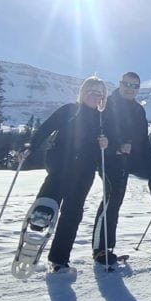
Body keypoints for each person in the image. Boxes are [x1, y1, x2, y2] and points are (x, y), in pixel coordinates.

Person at [20, 76, 113, 273]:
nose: (93, 95)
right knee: (58, 178)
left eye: (99, 93)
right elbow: (47, 127)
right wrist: (30, 146)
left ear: (102, 98)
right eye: (90, 90)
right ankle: (42, 212)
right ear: (82, 91)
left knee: (73, 211)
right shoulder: (70, 110)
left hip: (85, 168)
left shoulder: (102, 120)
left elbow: (106, 144)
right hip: (61, 157)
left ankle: (59, 259)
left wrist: (105, 144)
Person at [90, 71, 151, 265]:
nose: (130, 89)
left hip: (126, 160)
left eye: (135, 86)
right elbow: (100, 129)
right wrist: (117, 145)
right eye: (127, 84)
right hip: (108, 157)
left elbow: (142, 138)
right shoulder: (107, 103)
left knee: (117, 199)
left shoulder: (138, 109)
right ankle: (100, 249)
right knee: (111, 198)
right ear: (120, 84)